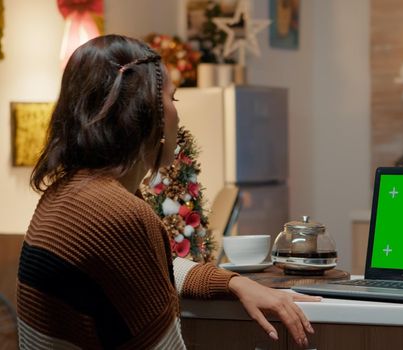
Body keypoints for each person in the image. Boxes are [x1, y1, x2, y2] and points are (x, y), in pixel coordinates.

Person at [16, 34, 320, 349]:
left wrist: (232, 282)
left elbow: (155, 268)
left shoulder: (68, 194)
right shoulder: (118, 214)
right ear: (149, 115)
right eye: (172, 99)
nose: (177, 113)